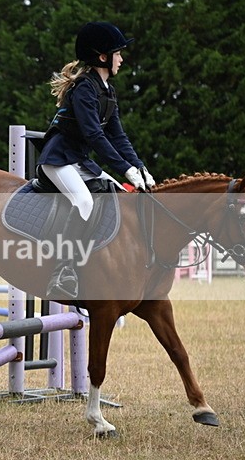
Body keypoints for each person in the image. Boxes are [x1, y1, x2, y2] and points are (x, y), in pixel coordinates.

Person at [37, 21, 157, 299]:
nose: (121, 59)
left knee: (118, 194)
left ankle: (104, 263)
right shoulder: (84, 89)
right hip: (58, 159)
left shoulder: (107, 91)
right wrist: (124, 168)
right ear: (103, 57)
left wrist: (139, 167)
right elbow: (94, 135)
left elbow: (118, 136)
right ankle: (62, 271)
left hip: (79, 161)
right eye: (118, 53)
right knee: (84, 201)